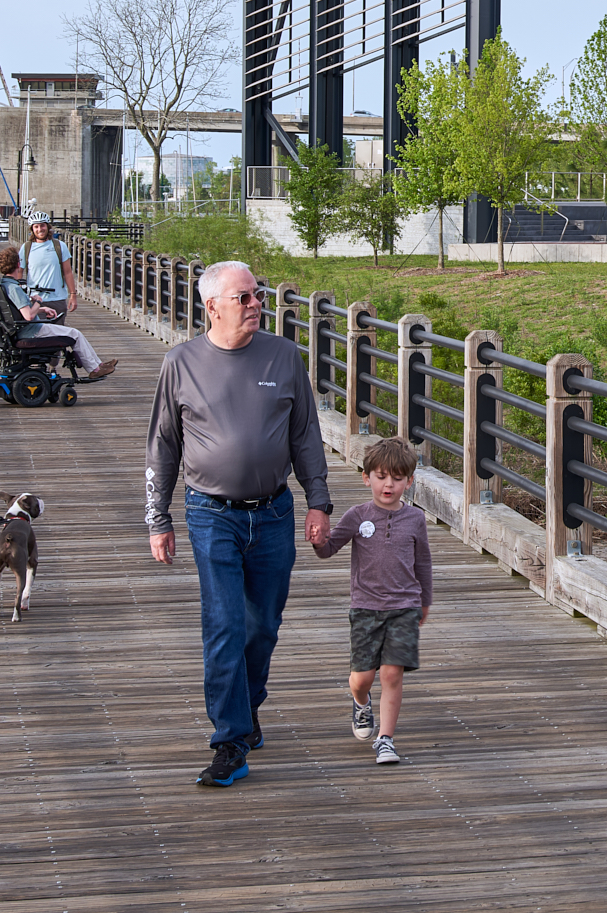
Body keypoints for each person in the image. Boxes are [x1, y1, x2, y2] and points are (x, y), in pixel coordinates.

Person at [143, 261, 332, 787]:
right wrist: (158, 519)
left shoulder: (284, 356)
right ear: (213, 306)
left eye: (258, 295)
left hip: (274, 513)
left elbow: (306, 436)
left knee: (261, 628)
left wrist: (320, 503)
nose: (256, 304)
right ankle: (229, 740)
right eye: (244, 297)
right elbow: (163, 445)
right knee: (224, 625)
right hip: (211, 514)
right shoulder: (180, 363)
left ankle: (248, 708)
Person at [310, 436, 434, 767]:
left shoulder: (416, 520)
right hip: (365, 607)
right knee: (362, 677)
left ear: (409, 481)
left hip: (404, 607)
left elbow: (423, 562)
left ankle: (386, 739)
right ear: (367, 478)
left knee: (393, 674)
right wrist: (318, 542)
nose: (388, 484)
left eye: (396, 478)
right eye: (380, 476)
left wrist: (425, 600)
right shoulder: (356, 515)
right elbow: (329, 549)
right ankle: (361, 702)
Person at [0, 247, 117, 380]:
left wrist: (42, 310)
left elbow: (17, 312)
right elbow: (28, 316)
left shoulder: (5, 285)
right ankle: (94, 369)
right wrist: (39, 301)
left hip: (23, 330)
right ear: (18, 264)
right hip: (31, 331)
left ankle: (98, 364)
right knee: (75, 334)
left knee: (73, 333)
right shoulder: (15, 288)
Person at [22, 212, 75, 320]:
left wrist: (73, 295)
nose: (40, 229)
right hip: (35, 300)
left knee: (58, 334)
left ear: (47, 227)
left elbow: (68, 272)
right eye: (36, 226)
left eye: (42, 225)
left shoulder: (60, 246)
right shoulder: (26, 247)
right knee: (38, 334)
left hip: (57, 299)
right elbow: (19, 272)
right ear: (32, 229)